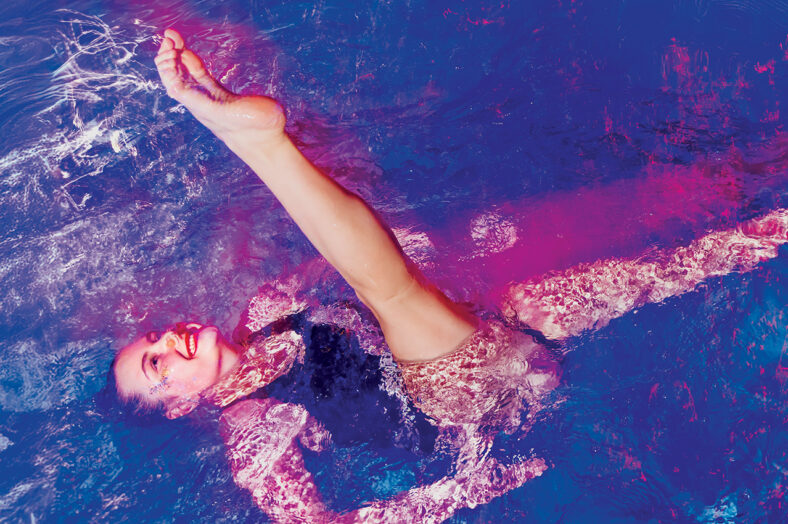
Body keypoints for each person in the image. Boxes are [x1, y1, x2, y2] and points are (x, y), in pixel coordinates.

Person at [112, 28, 788, 523]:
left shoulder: (267, 306)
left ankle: (775, 226)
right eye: (157, 365)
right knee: (393, 292)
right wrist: (462, 491)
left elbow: (338, 250)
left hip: (494, 334)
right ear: (179, 407)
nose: (170, 340)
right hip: (458, 402)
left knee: (661, 272)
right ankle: (262, 145)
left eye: (155, 338)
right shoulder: (250, 434)